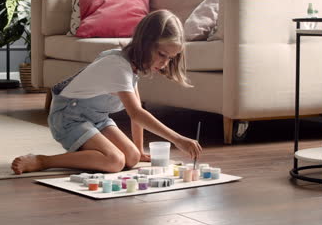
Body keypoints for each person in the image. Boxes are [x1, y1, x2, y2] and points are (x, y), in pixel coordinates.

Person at [11, 10, 202, 175]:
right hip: (69, 117)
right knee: (115, 161)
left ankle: (110, 153)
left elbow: (136, 111)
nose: (165, 63)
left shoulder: (133, 65)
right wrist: (179, 140)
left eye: (170, 58)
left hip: (96, 119)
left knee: (132, 157)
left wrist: (139, 149)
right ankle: (43, 161)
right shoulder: (118, 66)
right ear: (145, 43)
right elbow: (137, 113)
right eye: (162, 55)